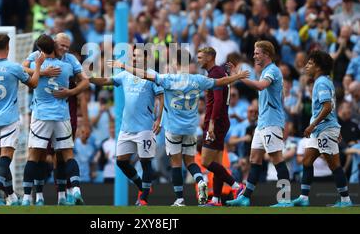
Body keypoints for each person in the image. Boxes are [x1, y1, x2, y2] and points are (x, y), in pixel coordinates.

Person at [108, 49, 249, 206]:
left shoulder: (168, 79)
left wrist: (122, 66)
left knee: (176, 163)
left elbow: (143, 74)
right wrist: (237, 77)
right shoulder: (198, 79)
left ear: (176, 63)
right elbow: (219, 83)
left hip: (173, 128)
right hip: (190, 128)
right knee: (190, 161)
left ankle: (180, 199)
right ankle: (200, 179)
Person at [0, 34, 45, 205]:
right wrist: (39, 67)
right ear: (8, 47)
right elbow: (34, 83)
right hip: (10, 118)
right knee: (6, 157)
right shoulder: (14, 67)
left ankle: (11, 197)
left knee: (2, 158)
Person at [90, 47, 164, 206]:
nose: (135, 59)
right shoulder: (125, 75)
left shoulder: (151, 75)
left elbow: (160, 97)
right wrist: (89, 78)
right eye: (134, 56)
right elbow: (105, 81)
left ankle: (143, 198)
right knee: (121, 161)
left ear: (146, 59)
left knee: (145, 162)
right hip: (126, 127)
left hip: (145, 127)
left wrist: (158, 120)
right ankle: (142, 186)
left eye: (138, 56)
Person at [22, 35, 85, 206]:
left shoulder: (38, 61)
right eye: (62, 45)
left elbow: (26, 75)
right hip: (62, 115)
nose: (64, 49)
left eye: (67, 46)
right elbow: (84, 80)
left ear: (41, 49)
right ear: (54, 45)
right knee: (67, 154)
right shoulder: (66, 67)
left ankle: (28, 197)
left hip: (41, 115)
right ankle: (76, 189)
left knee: (34, 156)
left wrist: (39, 70)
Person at [226, 41, 290, 207]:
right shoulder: (264, 72)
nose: (254, 56)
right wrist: (239, 75)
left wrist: (240, 76)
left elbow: (261, 87)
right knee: (254, 159)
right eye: (254, 53)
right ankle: (246, 197)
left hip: (272, 122)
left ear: (266, 54)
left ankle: (285, 199)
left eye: (257, 53)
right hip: (262, 124)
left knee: (277, 159)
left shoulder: (273, 70)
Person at [292, 50, 353, 207]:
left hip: (323, 129)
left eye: (310, 63)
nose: (306, 66)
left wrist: (313, 125)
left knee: (334, 165)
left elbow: (326, 107)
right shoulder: (324, 81)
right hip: (321, 129)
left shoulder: (321, 83)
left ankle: (346, 200)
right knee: (307, 161)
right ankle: (304, 198)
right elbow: (331, 107)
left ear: (318, 66)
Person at [196, 47, 244, 206]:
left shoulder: (215, 74)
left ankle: (236, 186)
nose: (198, 60)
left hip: (215, 122)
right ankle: (216, 199)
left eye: (200, 57)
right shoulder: (219, 73)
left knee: (205, 161)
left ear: (210, 57)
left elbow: (217, 100)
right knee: (216, 162)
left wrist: (211, 122)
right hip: (222, 120)